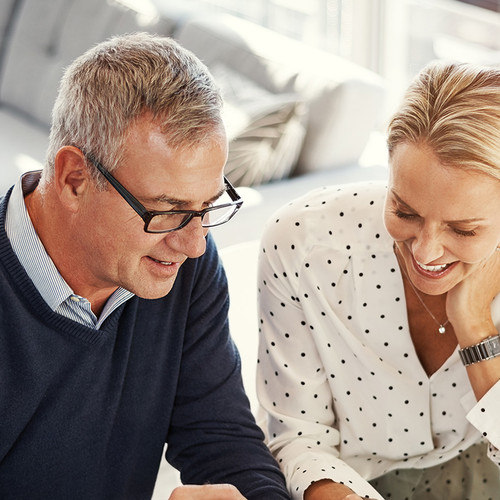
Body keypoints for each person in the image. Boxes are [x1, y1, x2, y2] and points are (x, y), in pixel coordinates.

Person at [0, 32, 290, 500]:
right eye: (167, 209)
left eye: (207, 207)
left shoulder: (180, 264)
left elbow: (221, 439)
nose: (194, 244)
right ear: (75, 178)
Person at [256, 61, 500, 500]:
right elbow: (297, 436)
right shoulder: (302, 247)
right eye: (404, 211)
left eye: (463, 230)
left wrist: (476, 327)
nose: (425, 252)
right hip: (348, 483)